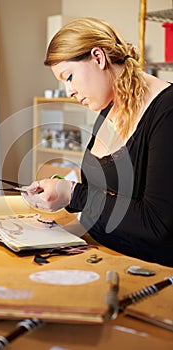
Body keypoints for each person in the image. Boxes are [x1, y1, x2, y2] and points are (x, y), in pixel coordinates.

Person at [23, 17, 173, 267]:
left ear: (98, 57)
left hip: (147, 269)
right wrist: (58, 210)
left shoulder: (167, 111)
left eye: (68, 77)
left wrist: (72, 195)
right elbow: (99, 199)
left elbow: (156, 222)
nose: (68, 91)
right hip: (99, 251)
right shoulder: (110, 106)